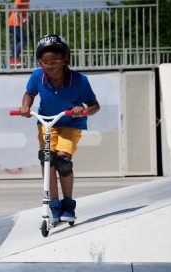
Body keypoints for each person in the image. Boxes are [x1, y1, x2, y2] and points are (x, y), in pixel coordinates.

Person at [18, 34, 100, 224]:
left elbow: (95, 105)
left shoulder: (80, 81)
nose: (49, 66)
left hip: (71, 124)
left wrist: (84, 112)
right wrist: (25, 106)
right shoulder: (37, 76)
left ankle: (68, 205)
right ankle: (54, 204)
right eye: (44, 62)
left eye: (54, 62)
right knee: (48, 159)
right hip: (47, 122)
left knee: (63, 161)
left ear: (65, 60)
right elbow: (29, 93)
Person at [8, 0, 30, 66]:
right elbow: (15, 7)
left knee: (16, 41)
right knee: (24, 40)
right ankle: (14, 58)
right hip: (16, 21)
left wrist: (27, 19)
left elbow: (23, 11)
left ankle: (13, 60)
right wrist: (23, 18)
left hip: (17, 22)